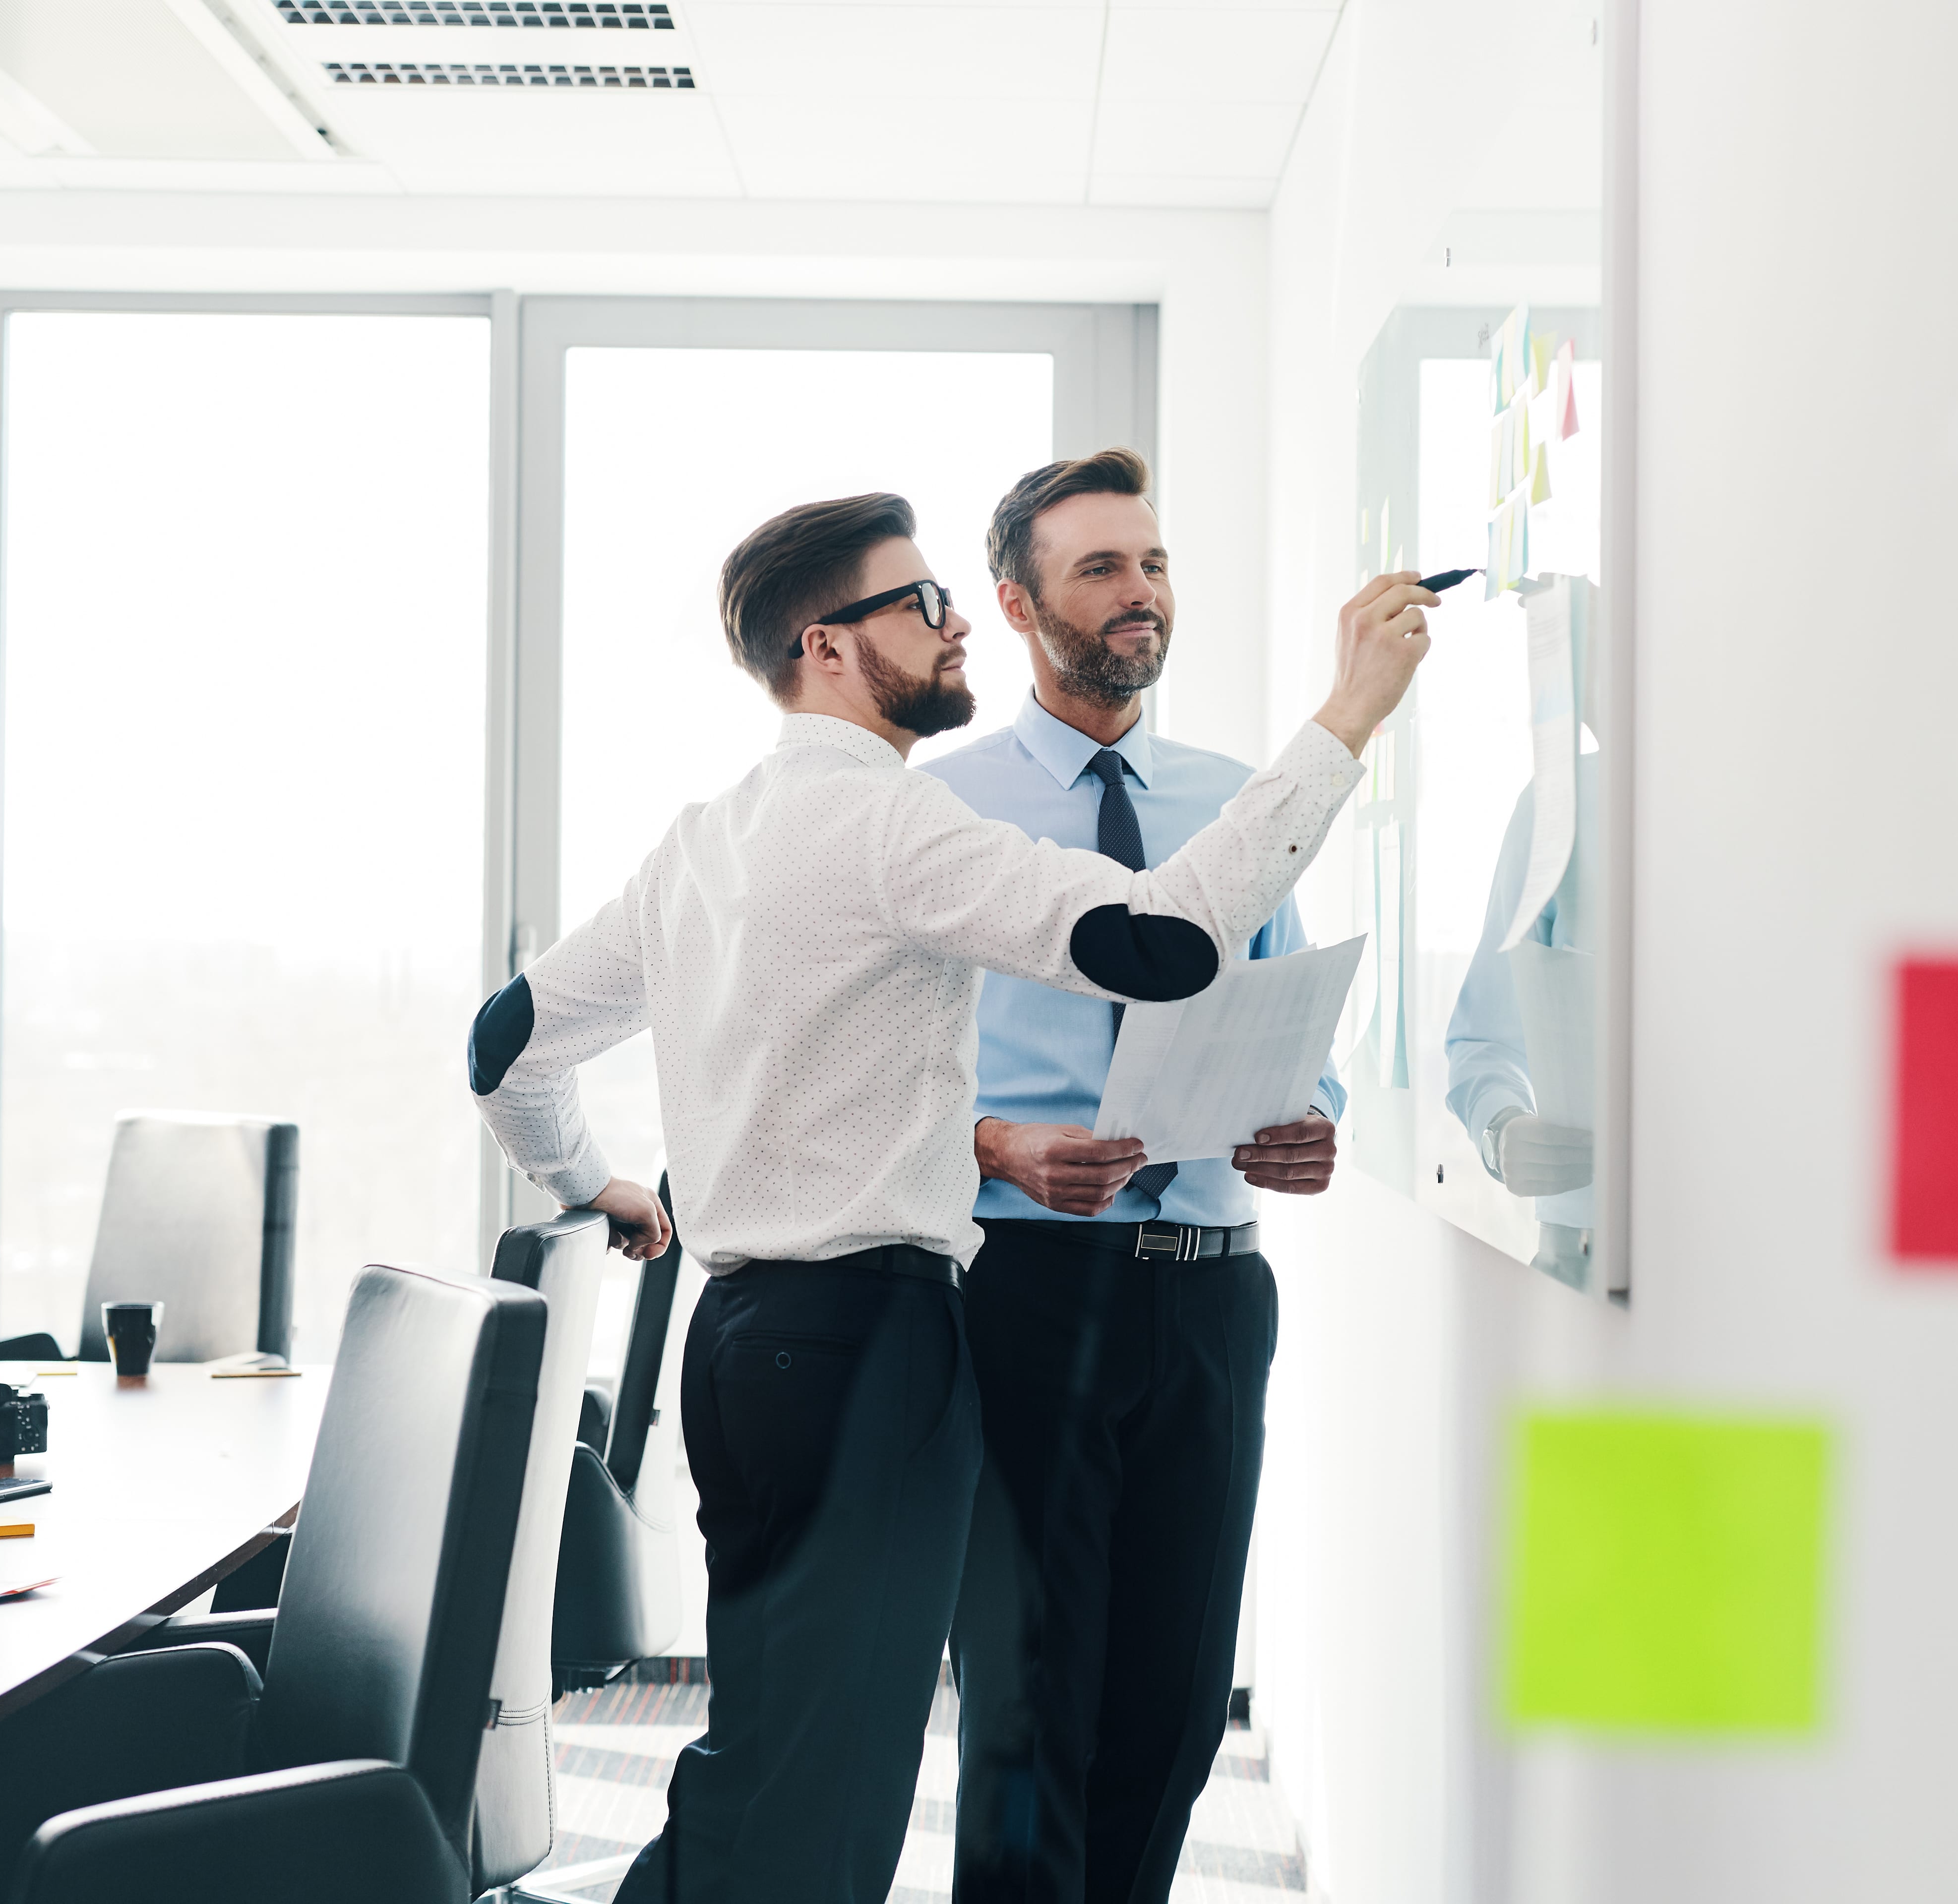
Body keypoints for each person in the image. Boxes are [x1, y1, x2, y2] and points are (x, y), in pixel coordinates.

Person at [467, 486, 1438, 1904]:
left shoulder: (710, 835)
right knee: (821, 1797)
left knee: (785, 1762)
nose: (953, 621)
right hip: (869, 1346)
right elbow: (1160, 944)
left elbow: (506, 1045)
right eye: (921, 604)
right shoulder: (890, 825)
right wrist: (1349, 715)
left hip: (739, 1341)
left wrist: (591, 1183)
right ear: (828, 645)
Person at [919, 448, 1344, 1904]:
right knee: (1036, 1705)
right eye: (1100, 568)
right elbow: (876, 1078)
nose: (1138, 595)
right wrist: (993, 1144)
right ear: (1020, 603)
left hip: (1214, 1296)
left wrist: (1311, 1119)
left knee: (1171, 1704)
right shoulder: (937, 810)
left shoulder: (1243, 806)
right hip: (1027, 1285)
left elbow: (1292, 1024)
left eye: (1153, 564)